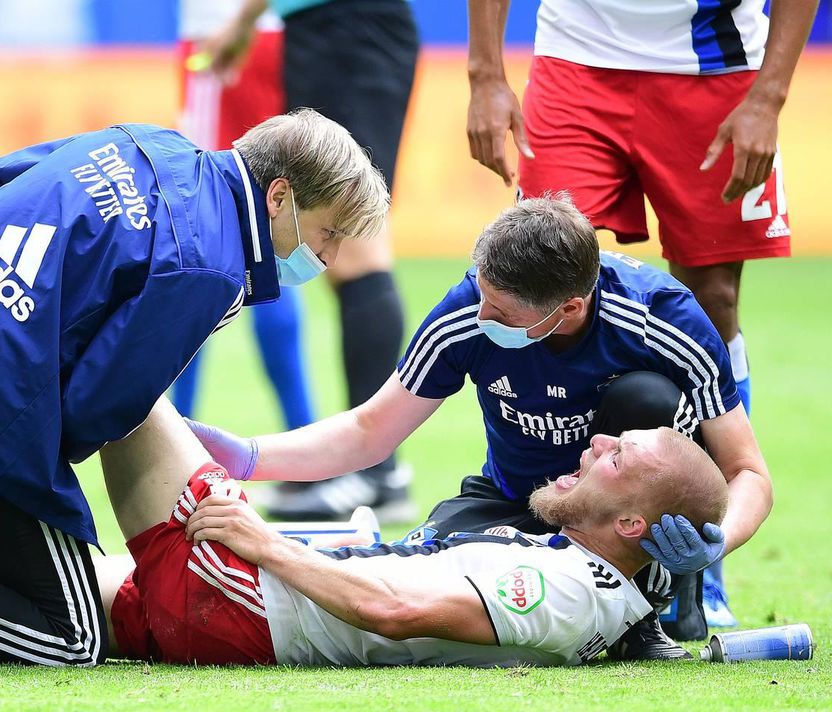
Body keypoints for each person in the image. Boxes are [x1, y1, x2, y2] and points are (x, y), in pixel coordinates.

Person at [0, 109, 389, 667]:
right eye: (329, 232)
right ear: (278, 197)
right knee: (72, 630)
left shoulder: (147, 140)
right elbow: (95, 411)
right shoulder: (212, 266)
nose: (330, 256)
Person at [0, 400, 728, 669]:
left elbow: (400, 608)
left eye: (615, 458)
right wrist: (685, 608)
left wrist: (262, 545)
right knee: (25, 619)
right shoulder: (602, 581)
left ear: (631, 521)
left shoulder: (578, 590)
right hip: (236, 609)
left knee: (130, 375)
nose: (590, 447)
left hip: (244, 598)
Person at [185, 195, 773, 660]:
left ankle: (649, 609)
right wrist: (251, 457)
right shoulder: (469, 306)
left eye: (503, 313)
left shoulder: (662, 321)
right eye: (482, 294)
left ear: (568, 308)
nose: (481, 316)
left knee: (644, 397)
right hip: (514, 499)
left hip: (613, 527)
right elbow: (372, 431)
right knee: (400, 569)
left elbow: (746, 469)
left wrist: (717, 541)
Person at [464, 0, 818, 625]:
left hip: (712, 65)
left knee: (714, 301)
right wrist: (486, 74)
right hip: (576, 56)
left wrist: (770, 96)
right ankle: (553, 530)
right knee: (544, 276)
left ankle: (699, 567)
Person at [205, 0, 420, 522]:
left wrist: (241, 21)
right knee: (341, 253)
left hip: (347, 28)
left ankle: (375, 470)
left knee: (354, 250)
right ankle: (371, 468)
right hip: (331, 29)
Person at [171, 0, 318, 436]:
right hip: (276, 35)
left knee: (195, 223)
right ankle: (303, 438)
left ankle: (175, 436)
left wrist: (237, 22)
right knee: (269, 226)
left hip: (222, 36)